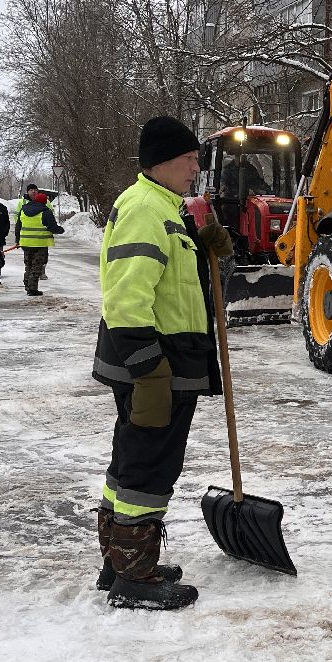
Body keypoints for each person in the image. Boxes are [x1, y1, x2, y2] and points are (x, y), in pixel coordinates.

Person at [91, 115, 233, 611]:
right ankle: (135, 577)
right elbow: (125, 296)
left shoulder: (164, 207)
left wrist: (201, 246)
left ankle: (120, 562)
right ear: (164, 161)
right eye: (189, 158)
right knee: (151, 464)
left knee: (132, 458)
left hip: (165, 359)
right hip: (156, 363)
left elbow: (170, 278)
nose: (196, 167)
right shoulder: (145, 209)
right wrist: (147, 366)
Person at [14, 191, 64, 296]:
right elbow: (52, 227)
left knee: (28, 265)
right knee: (36, 266)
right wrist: (61, 230)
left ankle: (27, 285)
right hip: (40, 244)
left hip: (25, 243)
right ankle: (32, 289)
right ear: (45, 202)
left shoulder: (23, 210)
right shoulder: (45, 212)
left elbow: (18, 226)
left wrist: (17, 240)